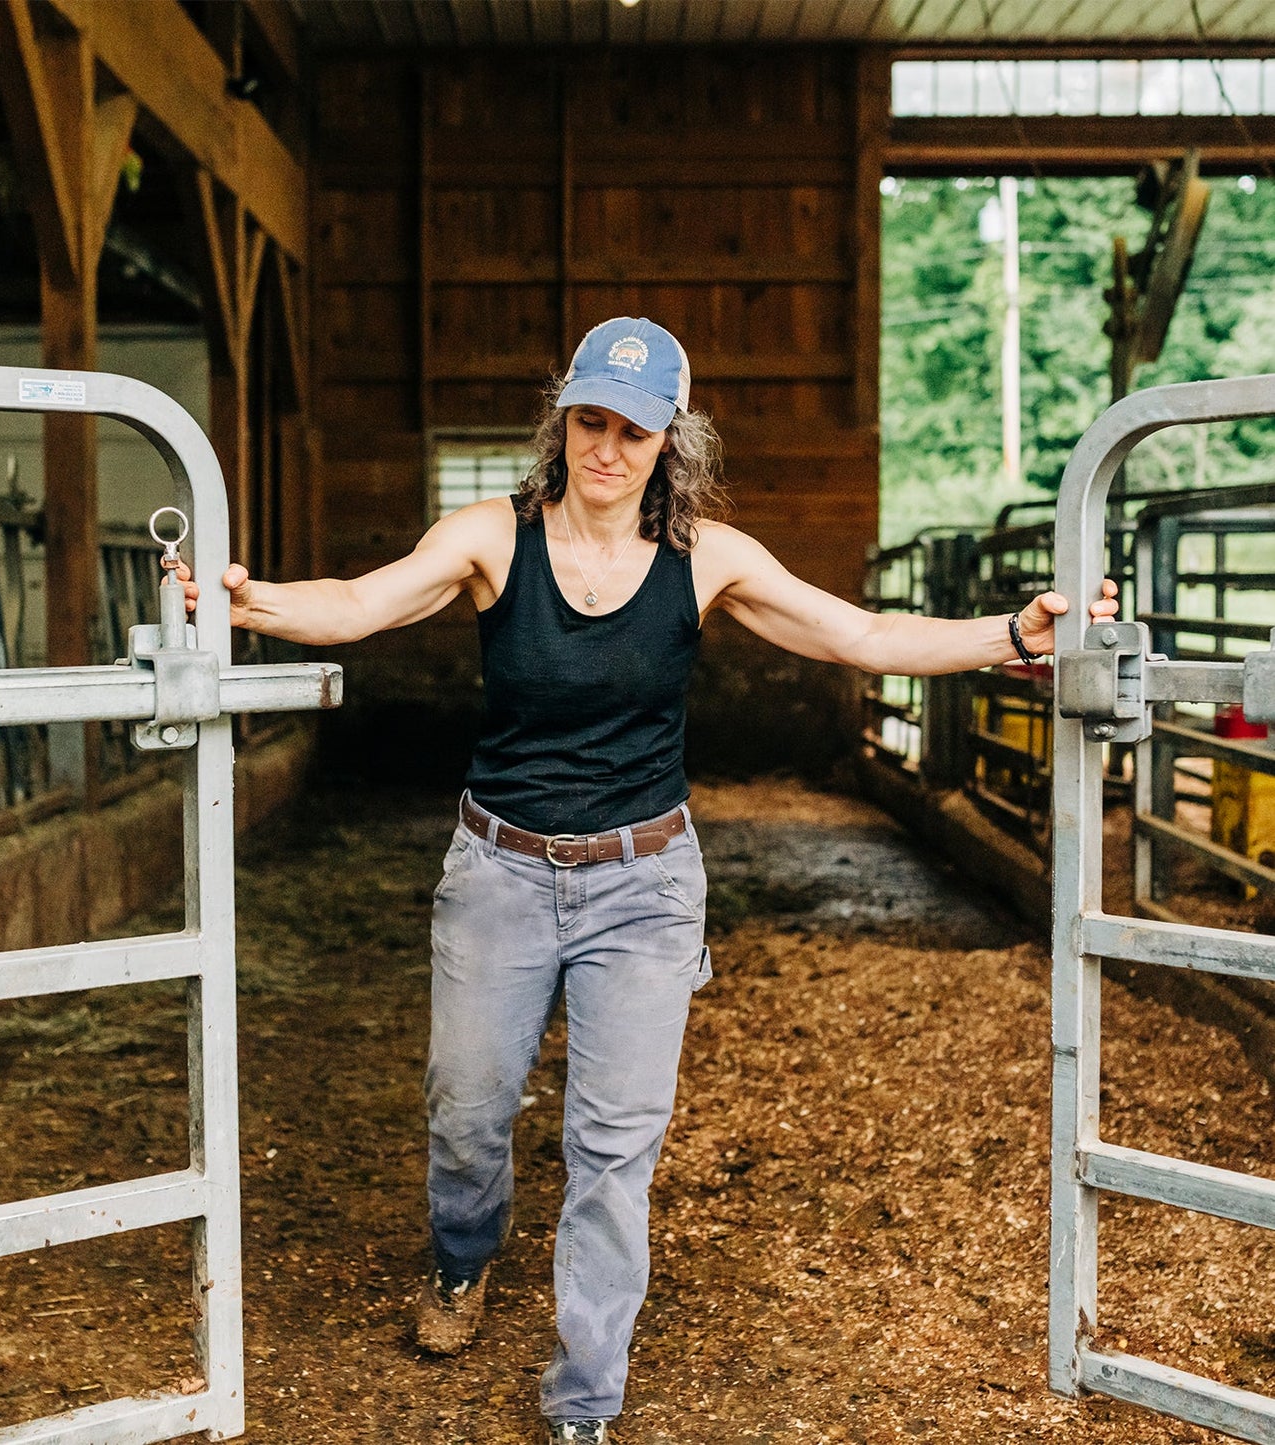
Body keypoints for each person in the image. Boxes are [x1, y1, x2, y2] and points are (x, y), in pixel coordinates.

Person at [173, 316, 1120, 1445]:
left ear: (669, 440)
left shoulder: (703, 556)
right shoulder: (491, 536)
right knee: (465, 1110)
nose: (606, 448)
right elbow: (361, 601)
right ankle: (461, 1255)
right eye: (589, 421)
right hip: (499, 869)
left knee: (613, 1145)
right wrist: (243, 604)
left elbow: (856, 632)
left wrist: (1009, 631)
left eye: (632, 429)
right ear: (561, 421)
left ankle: (584, 1395)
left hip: (643, 882)